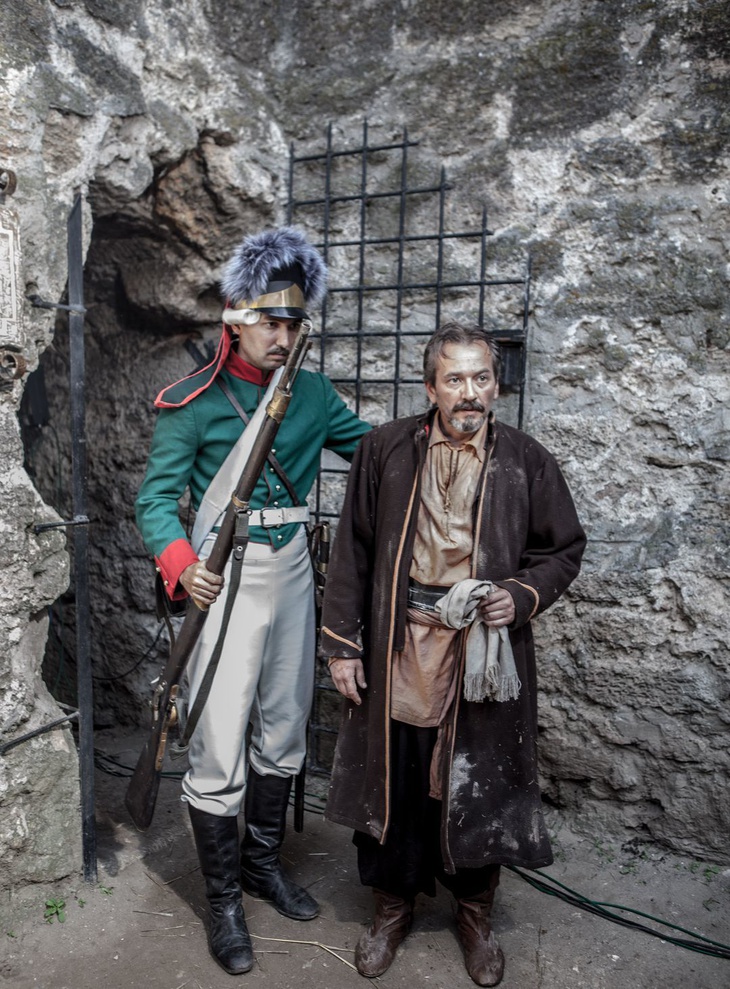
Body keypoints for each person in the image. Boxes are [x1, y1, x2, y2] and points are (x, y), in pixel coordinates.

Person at [319, 321, 586, 986]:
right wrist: (343, 647)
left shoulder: (527, 459)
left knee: (477, 782)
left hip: (482, 651)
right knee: (398, 777)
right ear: (430, 386)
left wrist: (520, 595)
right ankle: (391, 909)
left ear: (495, 386)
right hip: (401, 643)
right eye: (455, 378)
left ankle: (474, 915)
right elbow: (352, 550)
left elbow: (563, 550)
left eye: (481, 377)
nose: (469, 391)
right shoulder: (384, 449)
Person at [135, 227, 370, 976]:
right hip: (224, 578)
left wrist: (440, 431)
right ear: (235, 317)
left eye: (294, 323)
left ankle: (262, 865)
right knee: (217, 735)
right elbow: (154, 503)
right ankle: (224, 901)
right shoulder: (193, 402)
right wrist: (183, 568)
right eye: (271, 321)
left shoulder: (312, 393)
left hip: (294, 568)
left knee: (286, 722)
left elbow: (373, 451)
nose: (284, 337)